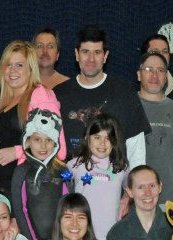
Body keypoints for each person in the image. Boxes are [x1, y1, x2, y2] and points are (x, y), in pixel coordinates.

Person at [54, 25, 150, 164]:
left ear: (105, 56)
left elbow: (136, 149)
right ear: (76, 54)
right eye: (85, 52)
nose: (91, 59)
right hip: (69, 177)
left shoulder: (125, 92)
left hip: (115, 176)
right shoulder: (59, 94)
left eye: (97, 52)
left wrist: (136, 177)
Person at [0, 40, 66, 192]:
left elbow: (59, 148)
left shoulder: (40, 95)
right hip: (5, 187)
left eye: (19, 65)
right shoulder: (6, 100)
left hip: (29, 189)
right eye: (8, 65)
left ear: (31, 69)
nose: (12, 70)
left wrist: (18, 152)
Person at [11, 108, 69, 240]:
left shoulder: (63, 171)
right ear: (28, 141)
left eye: (48, 140)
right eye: (37, 139)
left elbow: (68, 208)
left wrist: (61, 239)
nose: (43, 146)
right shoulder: (21, 171)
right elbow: (20, 210)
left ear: (55, 143)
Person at [136, 51, 173, 210]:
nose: (154, 75)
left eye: (160, 70)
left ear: (166, 77)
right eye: (149, 69)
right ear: (139, 75)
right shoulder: (128, 107)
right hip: (136, 200)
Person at [68, 113, 130, 240]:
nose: (102, 143)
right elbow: (60, 189)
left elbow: (131, 189)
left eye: (108, 138)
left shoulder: (121, 168)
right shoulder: (75, 165)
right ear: (87, 138)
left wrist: (126, 199)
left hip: (112, 238)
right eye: (97, 137)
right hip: (82, 237)